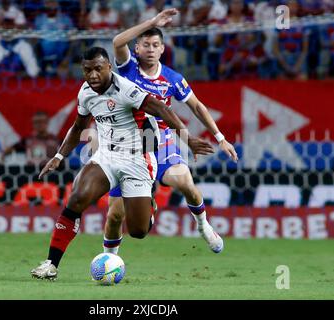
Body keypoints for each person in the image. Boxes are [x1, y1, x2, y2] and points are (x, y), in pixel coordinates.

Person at [30, 47, 214, 280]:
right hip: (106, 155)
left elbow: (162, 109)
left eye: (98, 69)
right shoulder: (86, 92)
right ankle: (51, 264)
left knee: (138, 231)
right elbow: (78, 127)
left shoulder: (126, 89)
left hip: (138, 158)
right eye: (87, 70)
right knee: (77, 198)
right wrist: (58, 156)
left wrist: (189, 140)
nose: (93, 75)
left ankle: (149, 207)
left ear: (108, 67)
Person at [102, 8, 238, 255]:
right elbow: (117, 41)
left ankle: (203, 224)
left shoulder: (172, 79)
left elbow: (197, 106)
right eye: (146, 44)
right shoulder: (127, 69)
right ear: (137, 49)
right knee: (115, 215)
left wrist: (221, 138)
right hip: (128, 145)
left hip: (162, 141)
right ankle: (110, 259)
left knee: (185, 182)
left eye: (156, 44)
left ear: (163, 49)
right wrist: (152, 22)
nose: (151, 49)